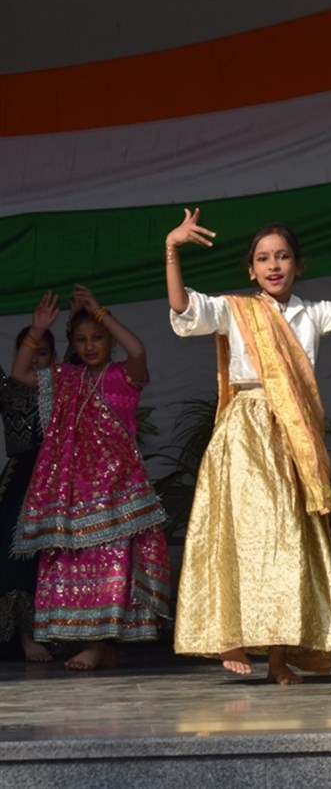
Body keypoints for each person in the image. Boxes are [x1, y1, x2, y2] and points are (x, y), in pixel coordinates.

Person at [166, 202, 331, 685]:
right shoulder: (237, 311)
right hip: (245, 434)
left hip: (293, 436)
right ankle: (228, 633)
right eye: (263, 258)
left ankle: (276, 658)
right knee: (238, 534)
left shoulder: (313, 314)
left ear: (298, 264)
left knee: (286, 539)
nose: (273, 265)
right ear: (251, 269)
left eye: (283, 256)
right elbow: (185, 308)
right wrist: (172, 251)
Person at [12, 287, 172, 671]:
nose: (89, 346)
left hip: (117, 491)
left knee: (112, 567)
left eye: (97, 338)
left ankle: (100, 645)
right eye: (81, 340)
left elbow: (137, 350)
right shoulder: (66, 379)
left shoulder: (124, 376)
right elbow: (20, 373)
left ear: (109, 340)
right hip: (74, 496)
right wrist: (37, 330)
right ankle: (100, 647)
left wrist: (101, 314)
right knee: (78, 567)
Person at [0, 329, 56, 662]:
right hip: (19, 478)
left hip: (57, 476)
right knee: (15, 554)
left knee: (53, 558)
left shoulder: (62, 386)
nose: (35, 359)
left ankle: (65, 635)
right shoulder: (7, 388)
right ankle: (24, 635)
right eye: (29, 351)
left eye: (43, 352)